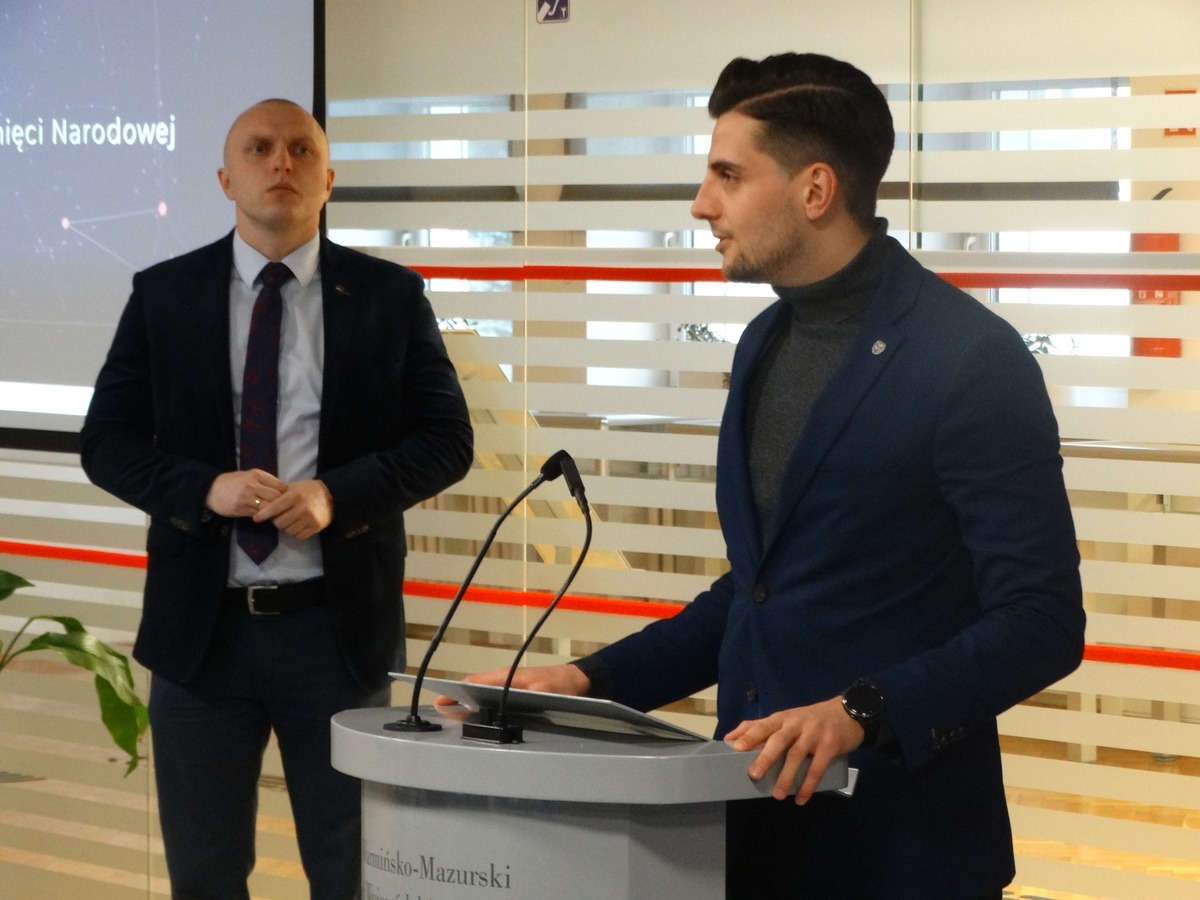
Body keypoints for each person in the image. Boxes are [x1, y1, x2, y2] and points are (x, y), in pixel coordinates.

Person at [452, 53, 1085, 898]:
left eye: (728, 175)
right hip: (750, 829)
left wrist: (860, 713)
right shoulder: (763, 343)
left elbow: (1043, 622)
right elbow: (757, 596)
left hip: (902, 849)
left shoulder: (970, 358)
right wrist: (588, 682)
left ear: (814, 189)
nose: (700, 203)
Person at [81, 98, 473, 899]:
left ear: (328, 179)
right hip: (202, 639)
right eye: (259, 149)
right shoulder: (164, 294)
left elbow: (447, 441)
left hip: (336, 635)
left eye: (301, 150)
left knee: (353, 873)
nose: (281, 163)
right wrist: (203, 488)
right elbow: (106, 443)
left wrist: (338, 495)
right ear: (226, 179)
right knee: (205, 876)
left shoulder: (391, 297)